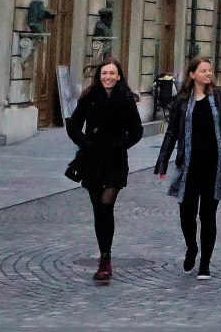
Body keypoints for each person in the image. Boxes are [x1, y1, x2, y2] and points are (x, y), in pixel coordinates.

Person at [155, 56, 221, 279]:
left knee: (208, 215)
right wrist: (162, 161)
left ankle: (205, 262)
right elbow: (172, 133)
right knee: (186, 213)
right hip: (189, 165)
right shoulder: (182, 101)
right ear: (192, 74)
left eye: (210, 70)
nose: (208, 74)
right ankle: (192, 248)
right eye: (203, 71)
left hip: (214, 166)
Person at [65, 57, 144, 283]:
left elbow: (137, 130)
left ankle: (105, 260)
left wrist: (121, 144)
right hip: (92, 160)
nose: (107, 77)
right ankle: (104, 255)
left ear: (119, 76)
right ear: (99, 76)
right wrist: (85, 142)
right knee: (98, 210)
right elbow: (73, 126)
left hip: (116, 161)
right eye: (104, 74)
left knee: (107, 204)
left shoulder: (126, 99)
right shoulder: (89, 98)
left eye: (111, 73)